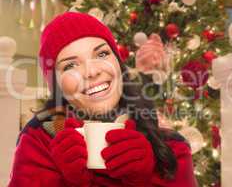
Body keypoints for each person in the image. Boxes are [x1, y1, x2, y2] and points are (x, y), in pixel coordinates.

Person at [8, 12, 197, 187]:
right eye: (70, 65)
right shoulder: (37, 141)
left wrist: (144, 180)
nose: (92, 71)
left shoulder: (172, 148)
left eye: (102, 54)